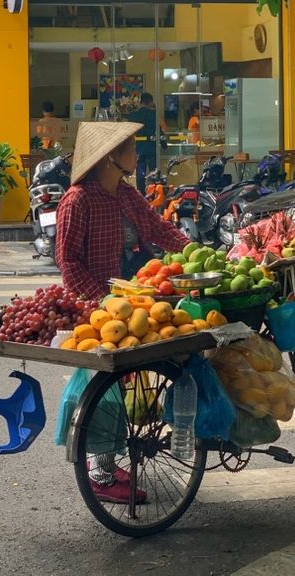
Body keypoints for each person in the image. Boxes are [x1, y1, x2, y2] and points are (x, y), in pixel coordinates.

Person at [55, 121, 190, 504]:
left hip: (125, 300)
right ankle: (99, 469)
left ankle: (108, 460)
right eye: (131, 148)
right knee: (106, 389)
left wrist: (195, 251)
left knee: (122, 384)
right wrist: (102, 301)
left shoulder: (125, 194)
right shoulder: (77, 199)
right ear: (111, 157)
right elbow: (68, 262)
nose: (137, 154)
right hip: (91, 305)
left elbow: (156, 227)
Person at [127, 92, 167, 194]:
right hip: (151, 147)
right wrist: (164, 144)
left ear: (141, 102)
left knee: (140, 173)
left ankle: (140, 194)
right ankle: (155, 193)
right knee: (154, 172)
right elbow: (158, 130)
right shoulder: (153, 114)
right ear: (150, 102)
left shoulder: (133, 116)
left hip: (138, 148)